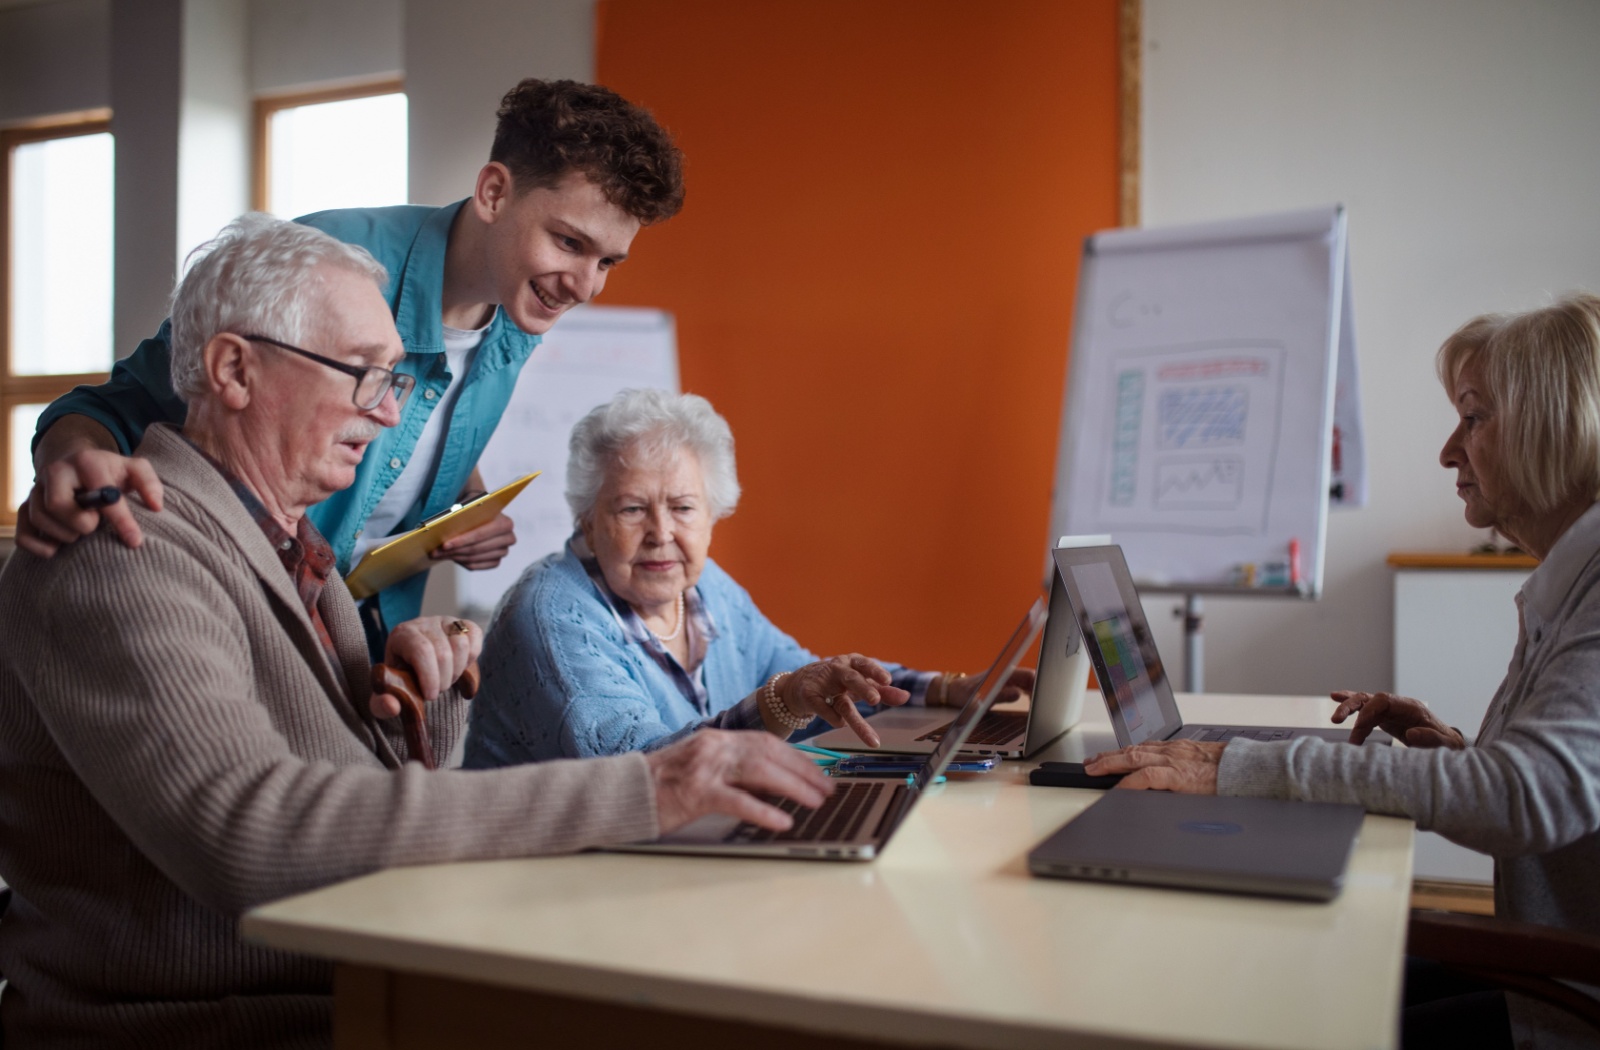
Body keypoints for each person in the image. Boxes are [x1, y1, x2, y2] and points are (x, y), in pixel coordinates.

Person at [0, 216, 830, 1049]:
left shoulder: (296, 550)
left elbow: (365, 810)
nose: (392, 413)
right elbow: (250, 834)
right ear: (233, 369)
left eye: (395, 378)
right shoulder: (121, 548)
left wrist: (420, 704)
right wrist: (648, 788)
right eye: (363, 374)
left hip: (362, 982)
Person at [1084, 293, 1600, 1050]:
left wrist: (1238, 766)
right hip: (1550, 975)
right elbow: (1559, 795)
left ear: (1555, 425)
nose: (1449, 451)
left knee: (1285, 1008)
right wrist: (1458, 755)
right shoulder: (1570, 579)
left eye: (1474, 418)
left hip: (1564, 1008)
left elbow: (1530, 797)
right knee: (1291, 981)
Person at [19, 78, 684, 657]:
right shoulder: (330, 262)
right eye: (569, 243)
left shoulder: (520, 305)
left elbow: (429, 416)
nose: (587, 285)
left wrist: (463, 501)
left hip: (363, 625)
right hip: (235, 610)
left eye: (608, 261)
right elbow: (111, 406)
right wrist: (71, 465)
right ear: (492, 191)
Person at [464, 388, 1031, 767]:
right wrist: (782, 699)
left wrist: (946, 689)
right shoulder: (553, 614)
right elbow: (643, 768)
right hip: (549, 881)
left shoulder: (708, 590)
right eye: (632, 509)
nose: (661, 533)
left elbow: (816, 687)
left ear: (714, 514)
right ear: (587, 520)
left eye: (683, 508)